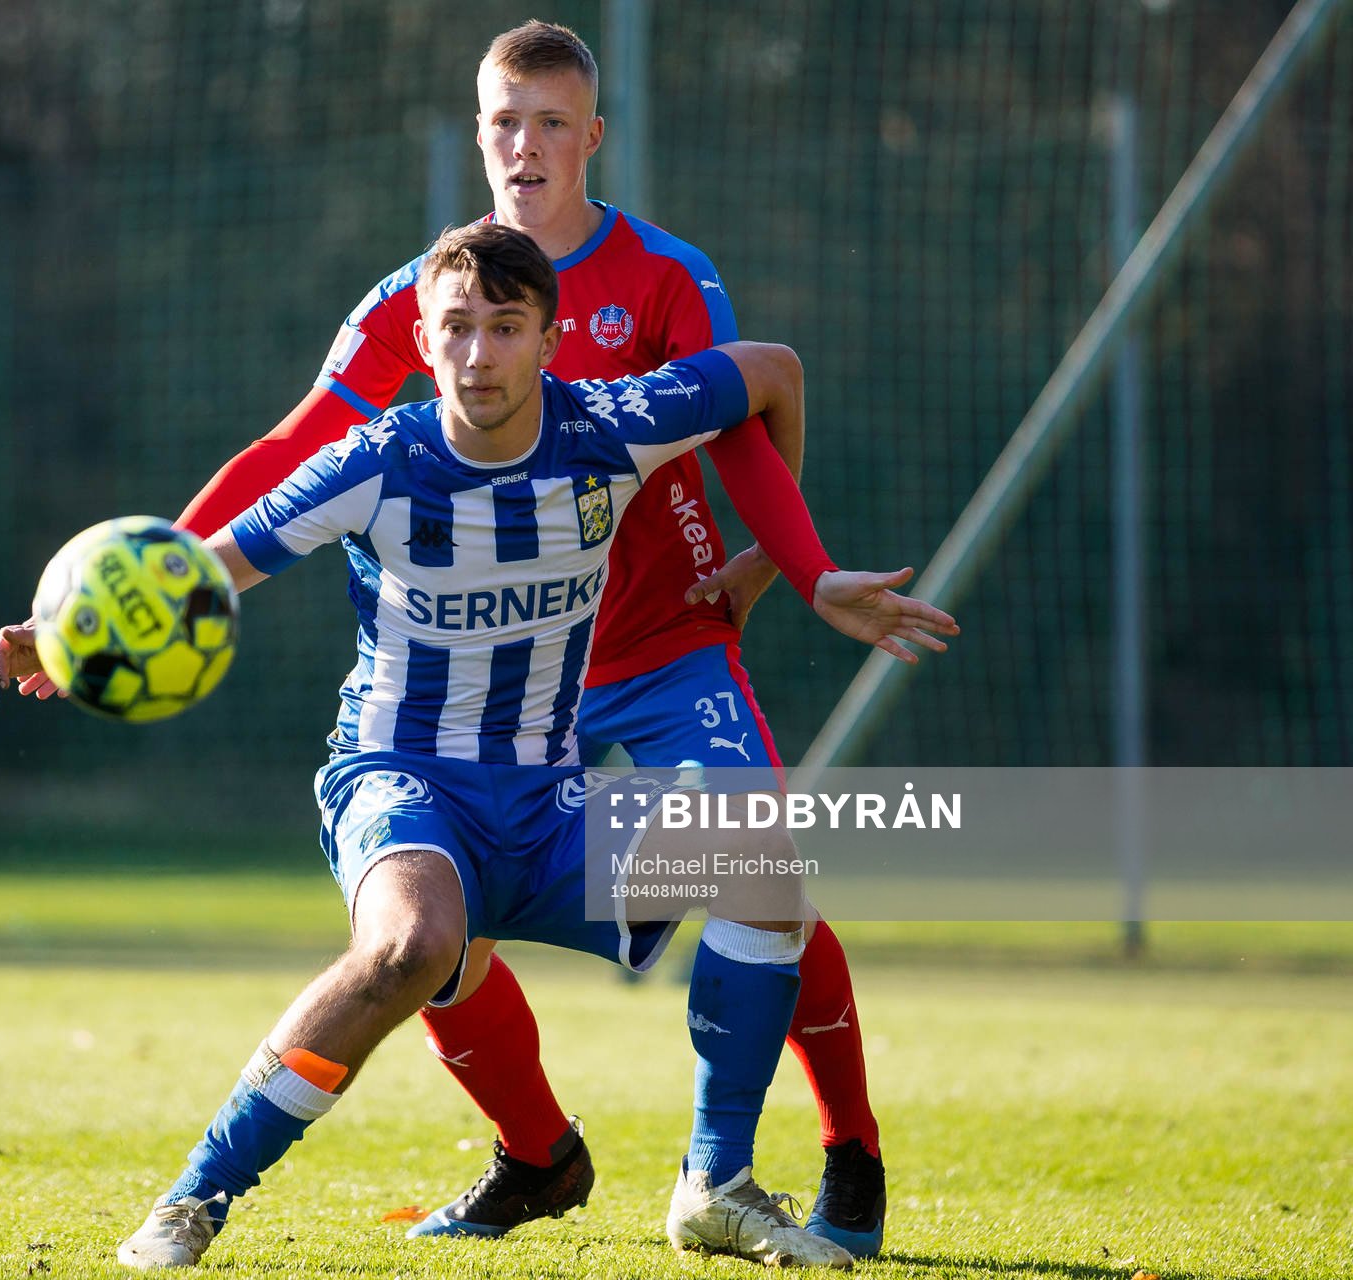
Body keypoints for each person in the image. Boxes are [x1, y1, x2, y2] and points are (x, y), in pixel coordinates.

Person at [0, 224, 955, 1268]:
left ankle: (712, 1184)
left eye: (505, 327)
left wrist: (783, 560)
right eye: (456, 329)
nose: (480, 354)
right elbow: (208, 567)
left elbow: (771, 373)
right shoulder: (374, 461)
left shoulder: (613, 427)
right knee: (412, 945)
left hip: (546, 803)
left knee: (759, 855)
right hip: (402, 783)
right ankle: (195, 1196)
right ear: (425, 339)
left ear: (550, 339)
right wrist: (70, 633)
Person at [168, 19, 891, 1256]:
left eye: (552, 122)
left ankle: (842, 1156)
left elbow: (747, 408)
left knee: (765, 869)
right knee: (442, 939)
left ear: (591, 138)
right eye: (505, 121)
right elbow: (298, 448)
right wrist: (151, 574)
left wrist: (789, 564)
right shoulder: (424, 292)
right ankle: (537, 1155)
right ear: (479, 132)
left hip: (663, 648)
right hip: (486, 690)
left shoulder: (664, 272)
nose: (526, 145)